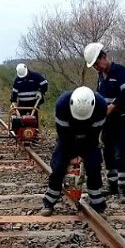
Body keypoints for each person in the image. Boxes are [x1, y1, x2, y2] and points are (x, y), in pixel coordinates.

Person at [40, 86, 108, 216]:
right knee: (59, 166)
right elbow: (63, 135)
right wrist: (72, 155)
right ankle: (49, 202)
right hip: (67, 138)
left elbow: (94, 135)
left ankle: (98, 204)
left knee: (94, 165)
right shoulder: (62, 104)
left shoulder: (101, 106)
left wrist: (83, 155)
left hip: (89, 138)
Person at [84, 42, 125, 196]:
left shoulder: (120, 71)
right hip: (106, 120)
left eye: (97, 64)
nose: (96, 68)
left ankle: (124, 189)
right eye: (94, 66)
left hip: (120, 118)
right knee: (108, 152)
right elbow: (99, 96)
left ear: (104, 57)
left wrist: (112, 107)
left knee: (120, 152)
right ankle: (112, 186)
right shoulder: (101, 77)